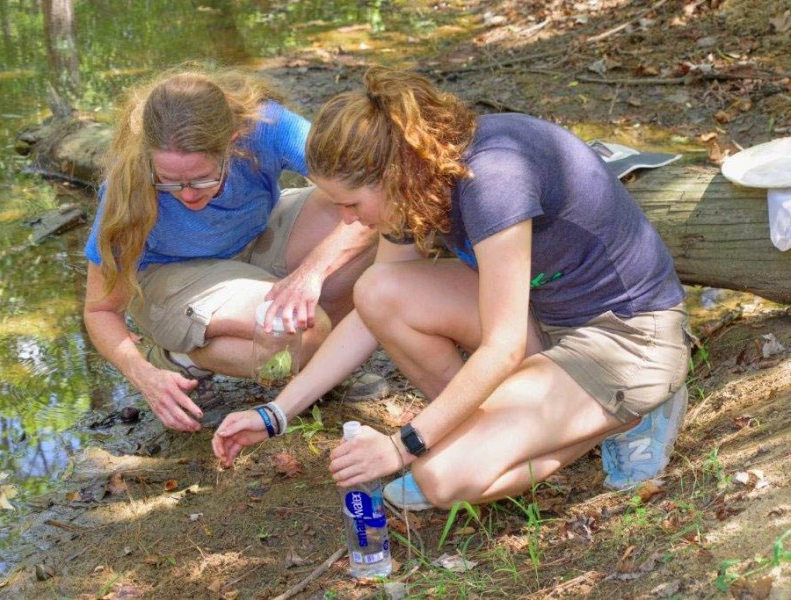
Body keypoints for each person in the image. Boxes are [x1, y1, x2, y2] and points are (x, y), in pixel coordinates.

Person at [212, 66, 691, 509]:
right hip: (544, 317)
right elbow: (371, 314)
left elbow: (502, 347)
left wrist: (403, 446)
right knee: (378, 288)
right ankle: (511, 427)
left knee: (440, 480)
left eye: (351, 203)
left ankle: (631, 411)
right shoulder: (413, 185)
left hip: (626, 337)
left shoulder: (494, 177)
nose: (346, 220)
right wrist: (276, 412)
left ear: (392, 173)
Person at [83, 66, 387, 433]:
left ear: (233, 139)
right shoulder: (127, 185)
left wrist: (311, 273)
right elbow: (100, 309)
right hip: (171, 277)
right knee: (304, 330)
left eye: (202, 178)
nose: (187, 195)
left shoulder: (266, 126)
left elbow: (374, 190)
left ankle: (319, 371)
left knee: (367, 222)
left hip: (253, 236)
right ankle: (177, 358)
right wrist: (142, 374)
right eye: (168, 181)